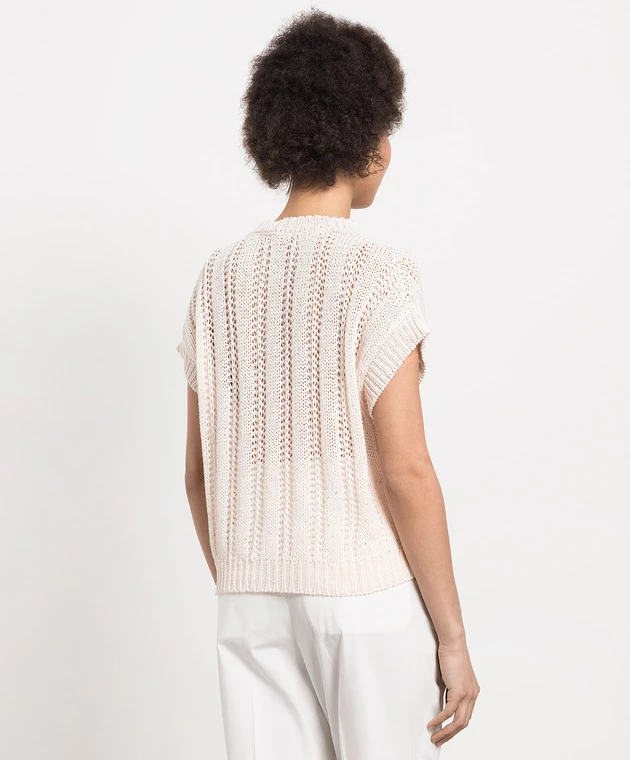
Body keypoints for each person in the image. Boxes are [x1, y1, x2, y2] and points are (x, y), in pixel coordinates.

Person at [177, 9, 480, 759]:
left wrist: (251, 578)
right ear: (366, 141)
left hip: (248, 601)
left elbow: (197, 475)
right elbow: (406, 469)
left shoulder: (217, 279)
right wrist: (452, 640)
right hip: (363, 601)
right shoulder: (379, 274)